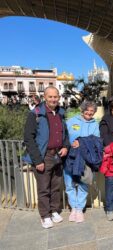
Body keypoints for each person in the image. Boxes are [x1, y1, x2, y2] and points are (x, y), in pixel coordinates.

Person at [23, 86, 69, 229]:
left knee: (55, 187)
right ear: (45, 97)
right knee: (44, 188)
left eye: (55, 97)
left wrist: (65, 146)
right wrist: (37, 160)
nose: (53, 99)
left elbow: (65, 134)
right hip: (43, 157)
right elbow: (28, 138)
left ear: (59, 97)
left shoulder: (61, 113)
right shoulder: (35, 114)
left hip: (58, 155)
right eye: (50, 97)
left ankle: (54, 210)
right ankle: (45, 215)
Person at [64, 101, 100, 223]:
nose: (89, 113)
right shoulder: (71, 121)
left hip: (86, 160)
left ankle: (79, 209)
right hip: (71, 157)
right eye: (87, 110)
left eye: (92, 111)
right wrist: (70, 143)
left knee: (84, 184)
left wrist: (81, 142)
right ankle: (73, 208)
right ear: (82, 110)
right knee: (69, 184)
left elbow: (96, 140)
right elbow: (64, 136)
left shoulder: (95, 124)